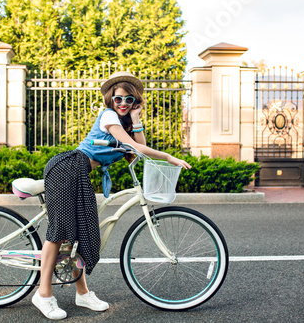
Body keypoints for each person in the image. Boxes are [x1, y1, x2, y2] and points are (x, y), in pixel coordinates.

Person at [32, 71, 192, 320]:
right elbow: (136, 147)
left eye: (129, 100)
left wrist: (136, 119)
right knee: (62, 230)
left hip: (79, 173)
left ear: (135, 101)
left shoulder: (125, 122)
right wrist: (169, 157)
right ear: (110, 99)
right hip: (67, 168)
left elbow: (139, 147)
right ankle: (43, 295)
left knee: (80, 233)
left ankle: (82, 293)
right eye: (118, 99)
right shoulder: (108, 116)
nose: (123, 104)